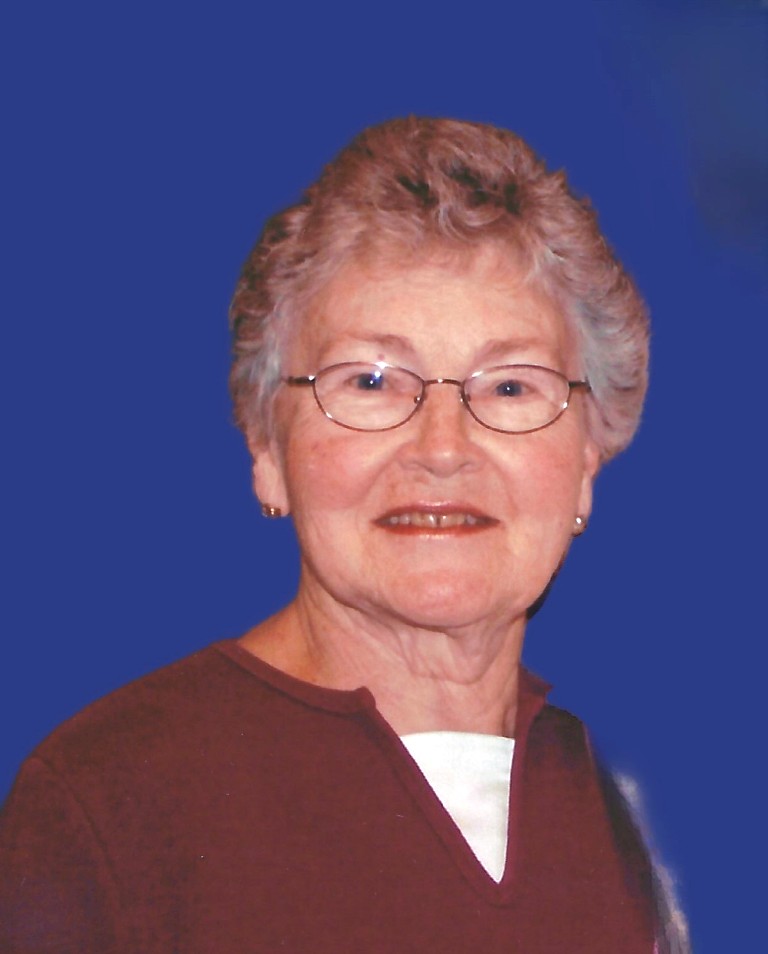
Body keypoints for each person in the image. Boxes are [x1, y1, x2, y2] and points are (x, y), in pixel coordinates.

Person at [0, 116, 688, 952]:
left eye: (510, 387)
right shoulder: (106, 801)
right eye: (371, 381)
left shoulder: (613, 809)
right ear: (267, 450)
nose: (443, 448)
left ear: (586, 460)